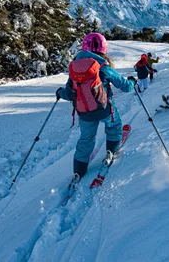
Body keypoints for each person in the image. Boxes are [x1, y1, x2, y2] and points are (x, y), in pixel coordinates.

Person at [56, 33, 136, 185]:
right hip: (106, 109)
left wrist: (59, 93)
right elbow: (125, 86)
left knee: (86, 139)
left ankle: (79, 171)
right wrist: (132, 81)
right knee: (114, 127)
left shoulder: (75, 68)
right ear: (103, 47)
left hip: (84, 112)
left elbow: (68, 93)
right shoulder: (103, 66)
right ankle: (110, 151)